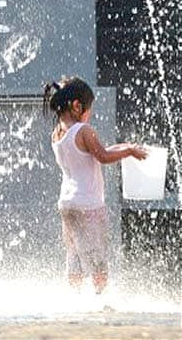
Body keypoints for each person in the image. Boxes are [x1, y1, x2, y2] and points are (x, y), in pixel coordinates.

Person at [42, 76, 147, 294]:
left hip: (67, 204)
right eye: (89, 109)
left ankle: (75, 296)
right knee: (97, 256)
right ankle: (100, 297)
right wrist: (129, 152)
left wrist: (126, 146)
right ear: (77, 106)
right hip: (88, 204)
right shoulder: (84, 131)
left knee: (74, 253)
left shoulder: (57, 133)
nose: (89, 114)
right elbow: (103, 156)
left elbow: (97, 152)